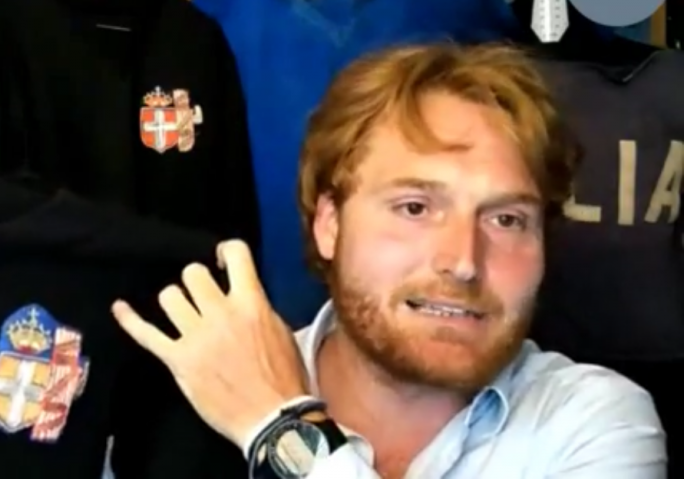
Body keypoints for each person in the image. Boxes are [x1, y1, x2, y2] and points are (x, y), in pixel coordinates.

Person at [110, 44, 667, 478]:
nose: (463, 262)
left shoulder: (594, 422)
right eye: (415, 207)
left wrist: (282, 430)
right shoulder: (193, 405)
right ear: (329, 224)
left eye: (506, 219)